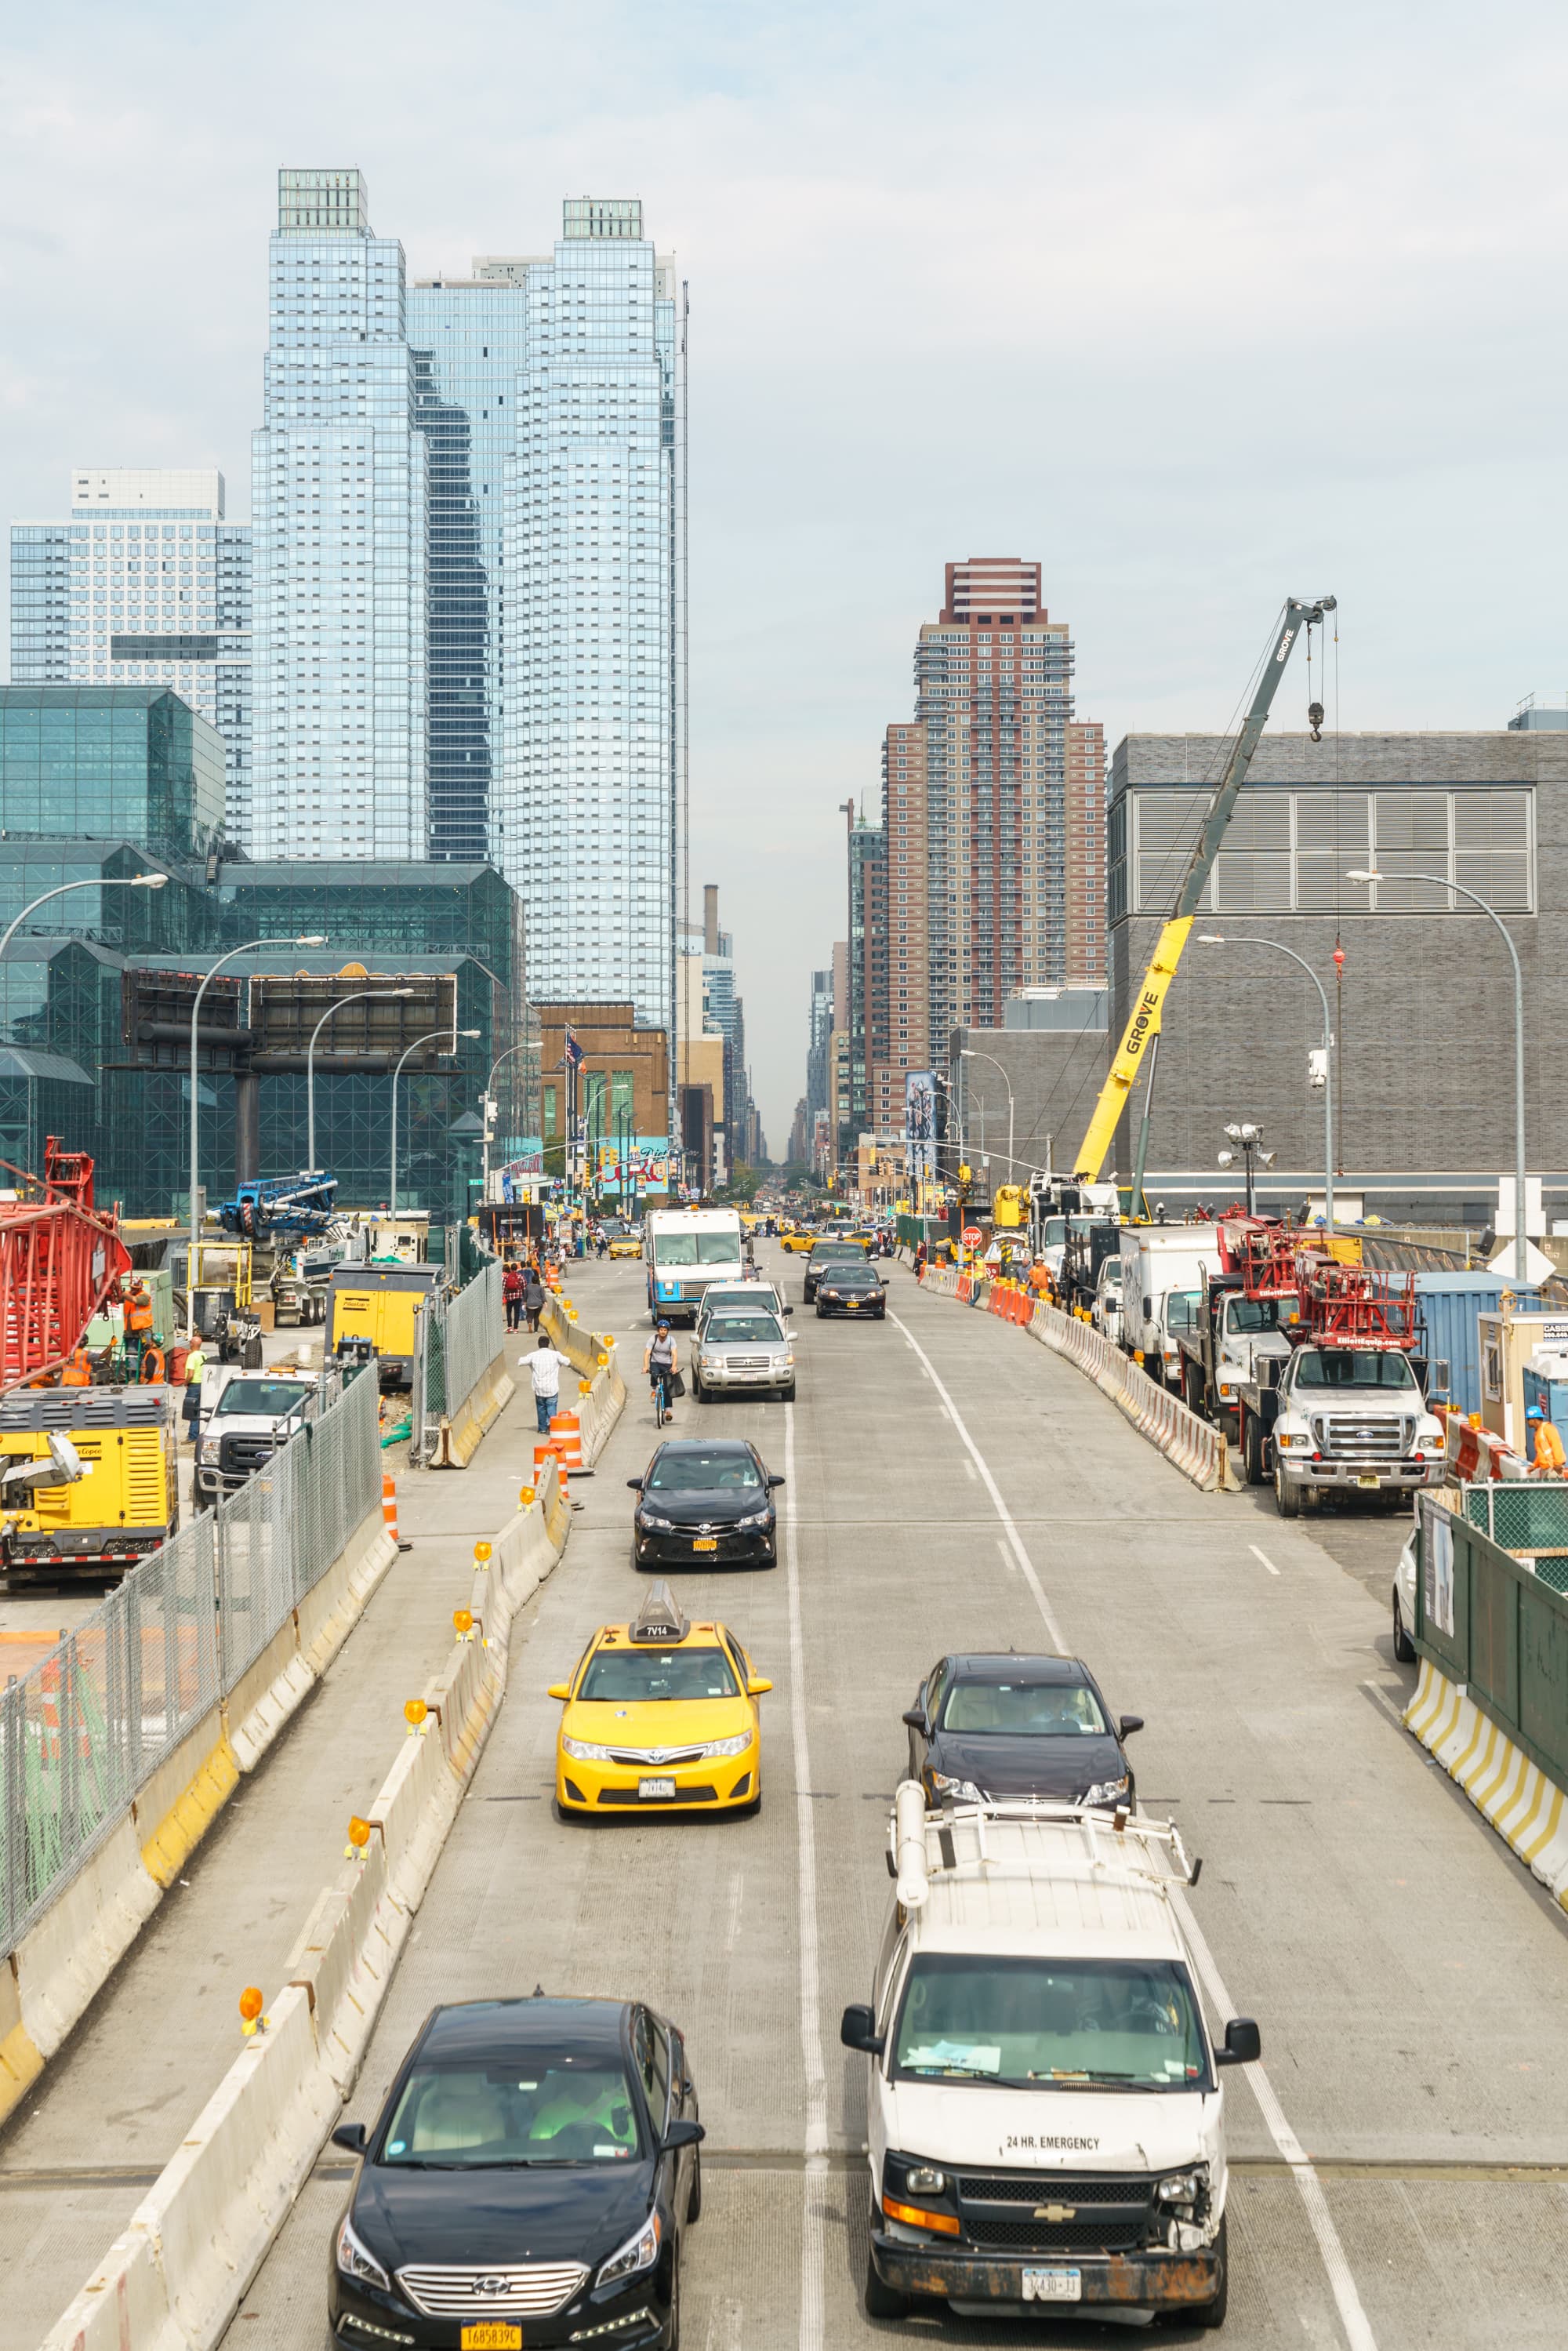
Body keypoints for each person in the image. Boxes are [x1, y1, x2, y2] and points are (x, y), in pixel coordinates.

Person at [526, 1333, 572, 1435]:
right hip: (552, 1388)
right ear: (548, 1344)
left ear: (539, 1345)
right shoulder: (555, 1355)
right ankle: (552, 1427)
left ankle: (542, 1428)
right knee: (551, 1407)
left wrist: (532, 1365)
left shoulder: (533, 1355)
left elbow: (521, 1361)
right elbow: (568, 1362)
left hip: (539, 1388)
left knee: (541, 1408)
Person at [644, 1319, 677, 1422]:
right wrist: (646, 1367)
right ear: (658, 1330)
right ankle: (654, 1390)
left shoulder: (671, 1340)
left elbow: (675, 1354)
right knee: (654, 1374)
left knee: (667, 1388)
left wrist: (674, 1366)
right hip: (655, 1362)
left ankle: (668, 1411)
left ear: (667, 1331)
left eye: (665, 1330)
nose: (663, 1332)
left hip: (667, 1364)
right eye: (661, 1329)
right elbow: (647, 1354)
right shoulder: (652, 1339)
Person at [1527, 1403, 1566, 1475]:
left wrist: (1557, 1464)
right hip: (1545, 1469)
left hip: (1553, 1469)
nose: (1527, 1421)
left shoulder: (1548, 1429)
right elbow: (1541, 1452)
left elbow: (1556, 1446)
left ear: (1534, 1420)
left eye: (1528, 1419)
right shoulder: (1538, 1433)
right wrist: (1534, 1465)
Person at [182, 1339, 207, 1438]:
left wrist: (186, 1383)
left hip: (194, 1385)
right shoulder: (203, 1355)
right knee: (199, 1410)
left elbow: (191, 1374)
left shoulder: (192, 1357)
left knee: (191, 1411)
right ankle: (198, 1433)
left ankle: (192, 1436)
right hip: (203, 1384)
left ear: (192, 1344)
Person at [522, 1262, 546, 1333]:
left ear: (532, 1280)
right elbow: (543, 1297)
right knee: (536, 1317)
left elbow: (525, 1297)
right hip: (538, 1304)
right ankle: (536, 1330)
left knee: (529, 1316)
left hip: (530, 1304)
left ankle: (529, 1323)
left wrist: (525, 1304)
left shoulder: (528, 1287)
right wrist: (545, 1303)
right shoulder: (540, 1288)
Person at [503, 1260, 524, 1331]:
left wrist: (504, 1295)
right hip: (518, 1297)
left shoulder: (507, 1277)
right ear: (517, 1269)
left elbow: (504, 1287)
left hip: (509, 1297)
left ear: (511, 1269)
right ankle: (516, 1328)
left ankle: (509, 1327)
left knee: (509, 1312)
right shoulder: (520, 1276)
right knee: (517, 1312)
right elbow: (524, 1286)